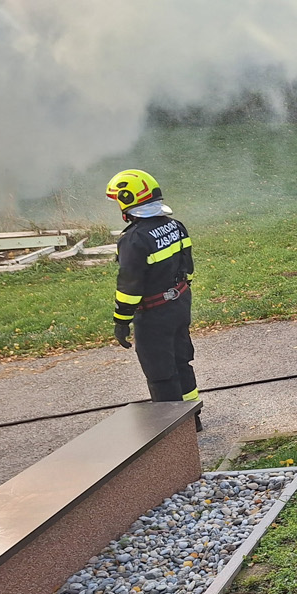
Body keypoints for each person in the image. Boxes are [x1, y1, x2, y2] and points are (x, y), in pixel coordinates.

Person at [105, 169, 202, 430]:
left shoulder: (134, 239)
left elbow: (129, 285)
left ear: (127, 201)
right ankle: (193, 420)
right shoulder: (175, 225)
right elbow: (187, 266)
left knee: (160, 374)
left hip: (153, 314)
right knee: (182, 361)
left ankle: (174, 433)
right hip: (180, 303)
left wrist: (121, 320)